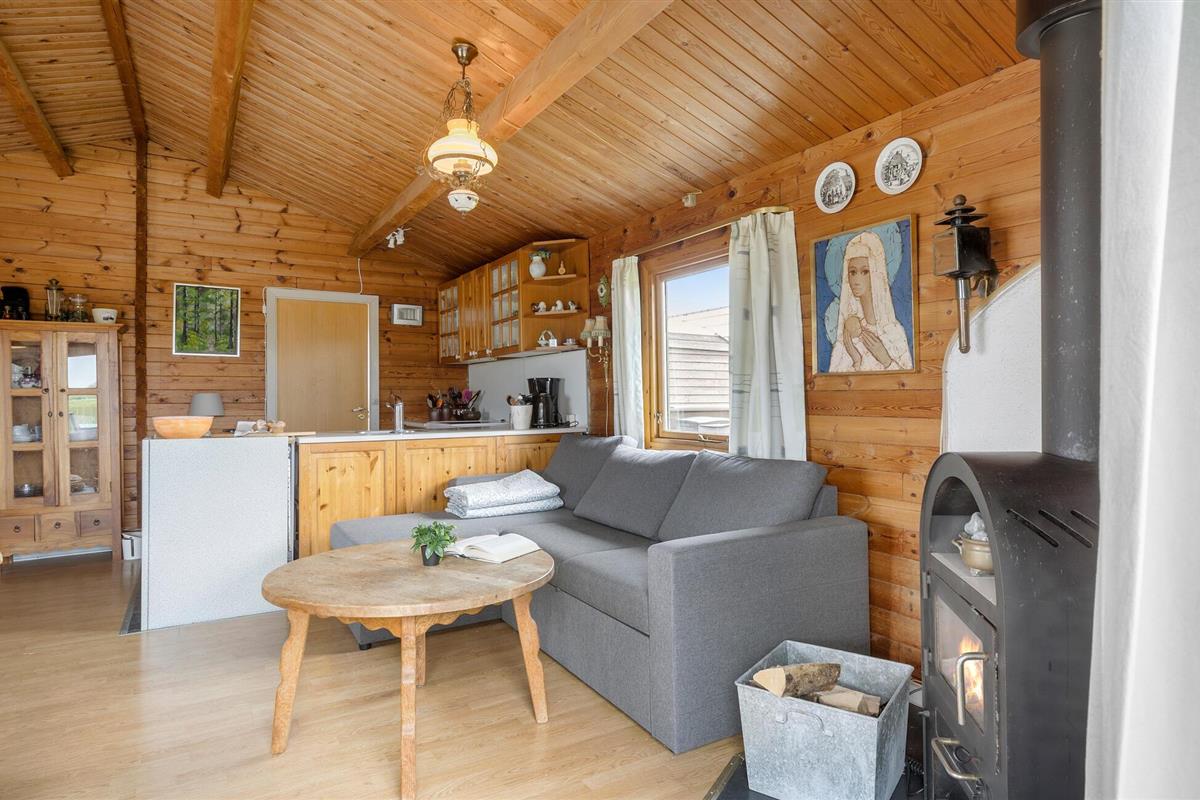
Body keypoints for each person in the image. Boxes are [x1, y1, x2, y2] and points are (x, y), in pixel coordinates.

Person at [827, 231, 913, 372]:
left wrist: (886, 360)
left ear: (876, 274)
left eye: (865, 271)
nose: (856, 280)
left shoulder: (894, 331)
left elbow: (908, 379)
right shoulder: (848, 332)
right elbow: (834, 380)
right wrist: (856, 359)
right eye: (852, 272)